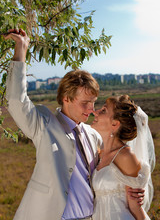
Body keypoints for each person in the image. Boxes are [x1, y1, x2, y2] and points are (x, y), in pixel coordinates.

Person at [4, 29, 145, 220]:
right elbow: (16, 100)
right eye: (85, 103)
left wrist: (133, 188)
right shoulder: (44, 123)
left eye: (94, 102)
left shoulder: (93, 134)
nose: (91, 109)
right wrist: (21, 49)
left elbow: (113, 166)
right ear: (66, 99)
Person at [91, 95, 155, 220]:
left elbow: (135, 207)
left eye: (103, 110)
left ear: (115, 124)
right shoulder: (99, 154)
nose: (96, 112)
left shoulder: (125, 156)